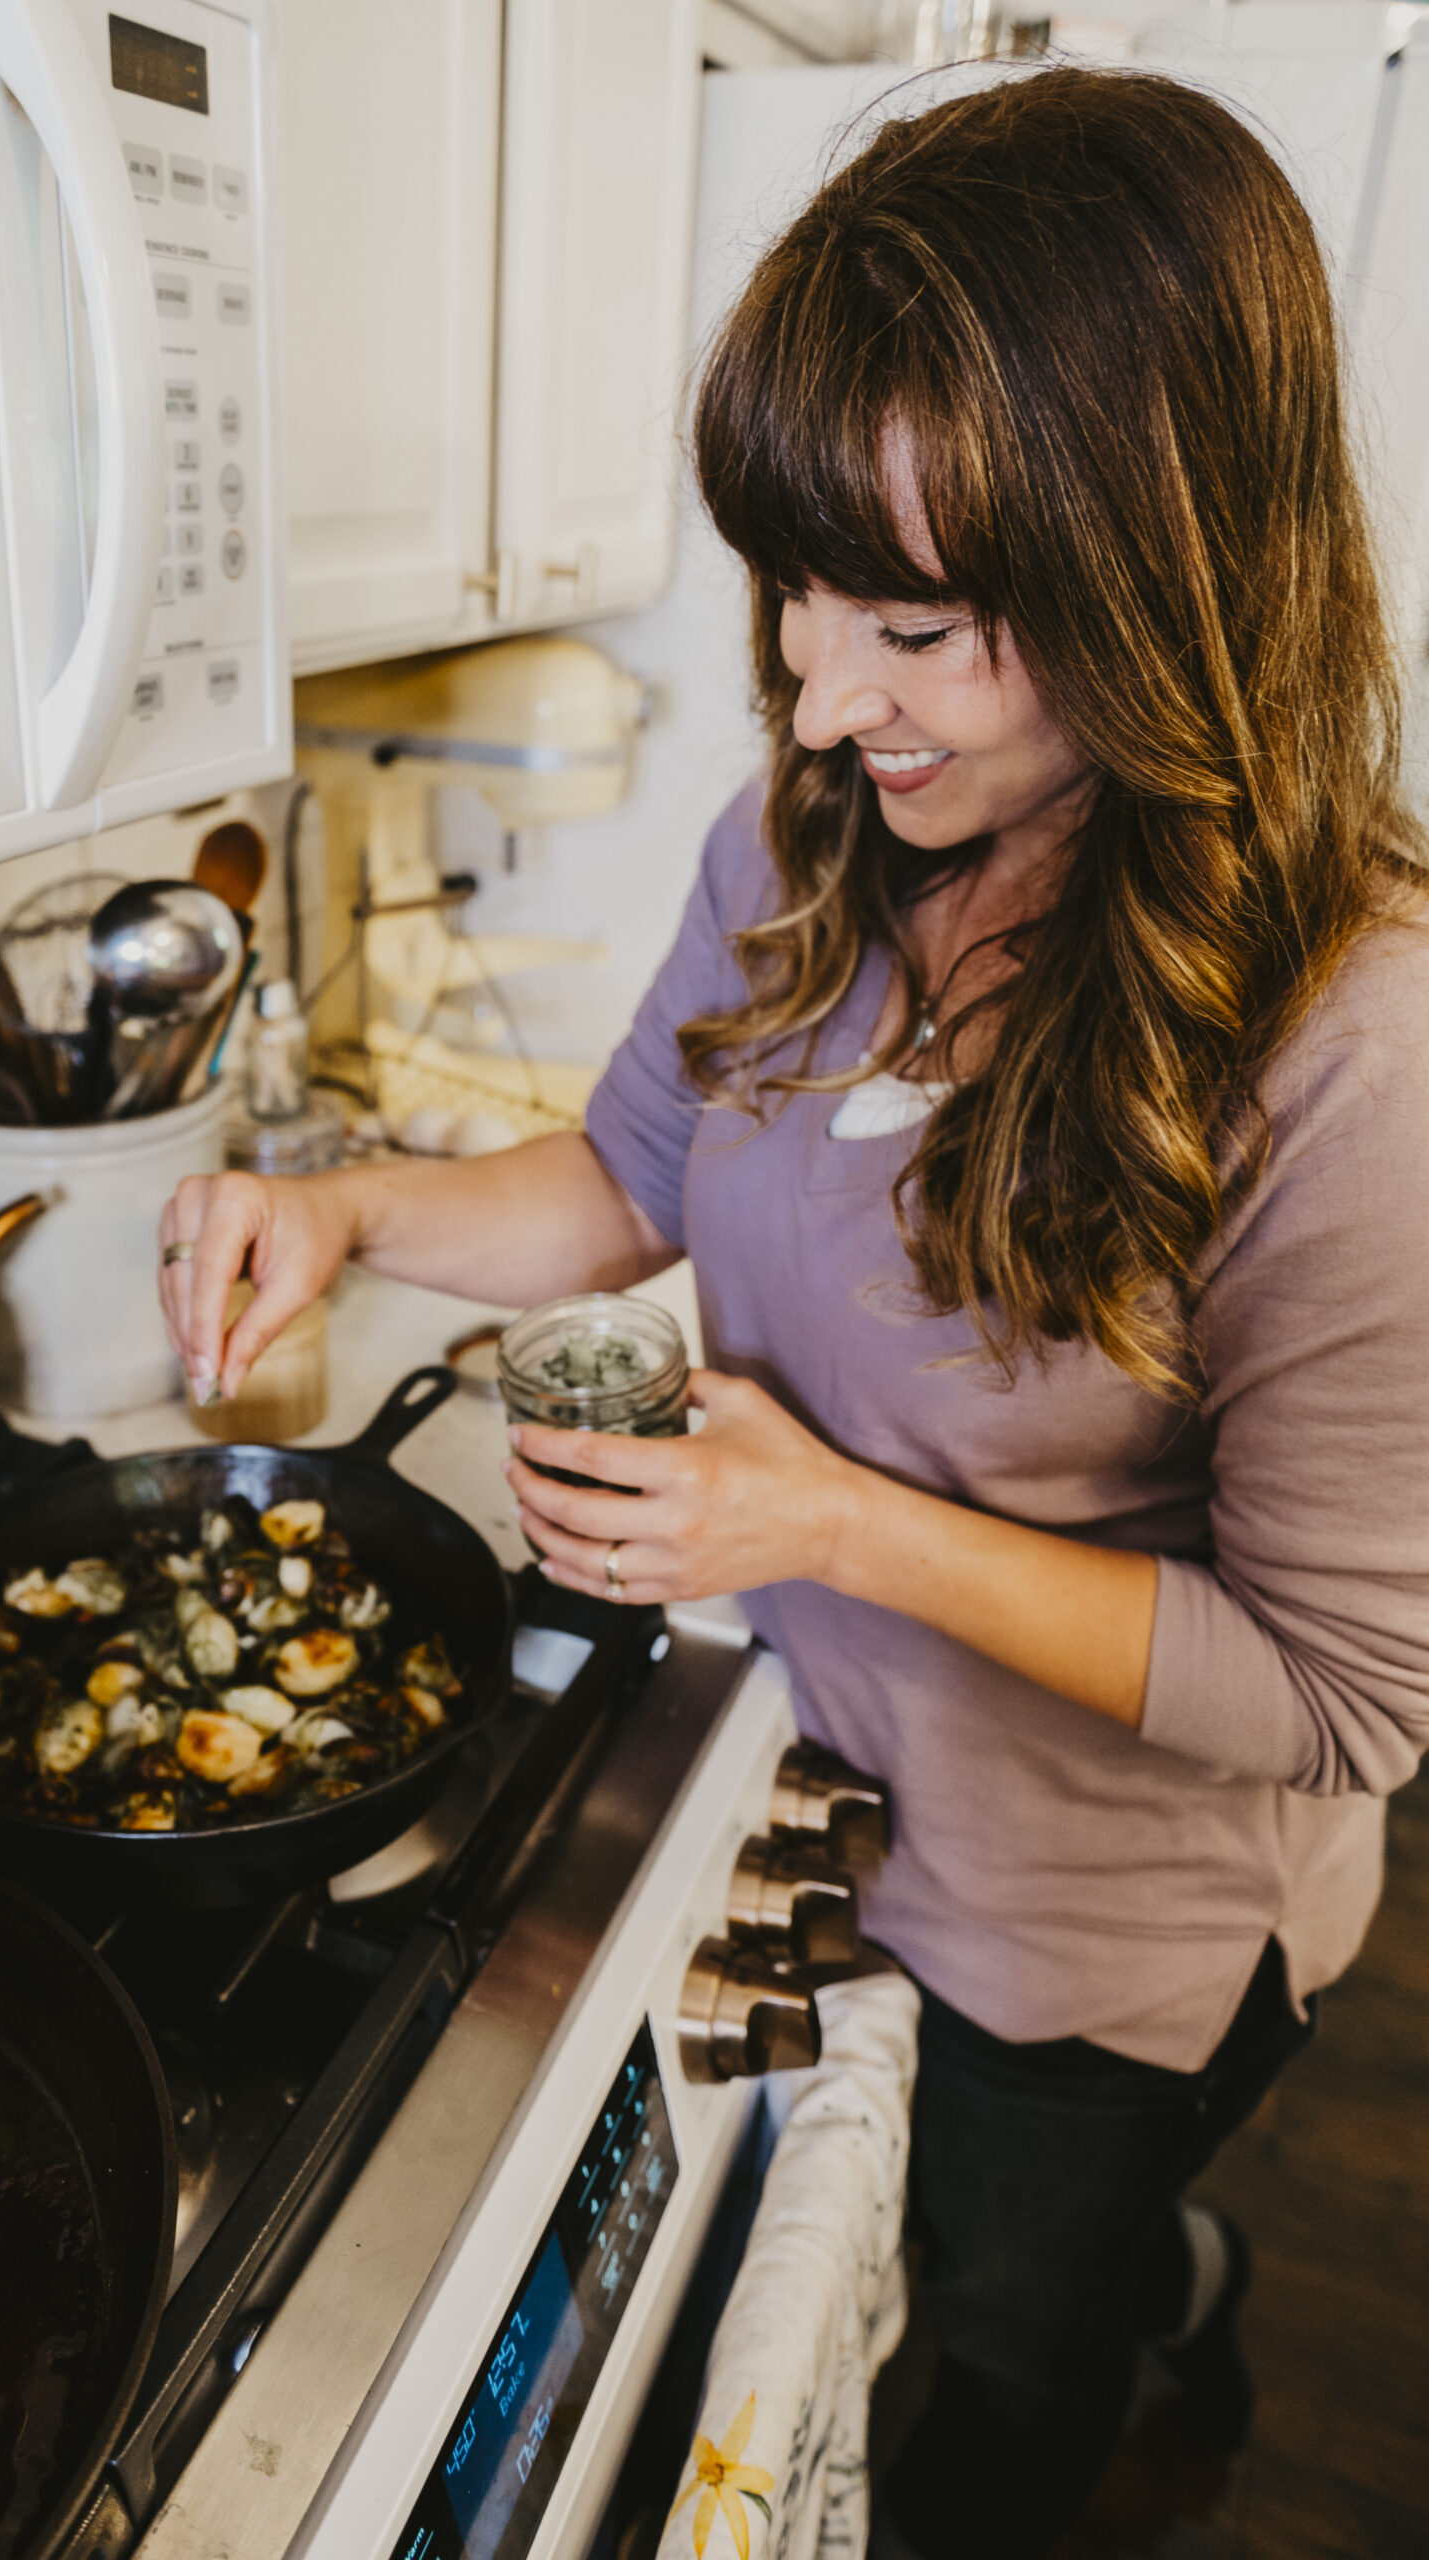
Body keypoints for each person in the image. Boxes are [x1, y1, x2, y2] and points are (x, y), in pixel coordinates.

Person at [157, 67, 1429, 2560]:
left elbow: (1347, 1694)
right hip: (819, 1792)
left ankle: (1161, 2298)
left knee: (1006, 2354)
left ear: (1168, 564)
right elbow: (633, 1169)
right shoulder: (806, 837)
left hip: (1098, 1949)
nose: (826, 693)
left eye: (917, 622)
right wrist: (346, 1210)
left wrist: (824, 1517)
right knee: (862, 2264)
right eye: (796, 592)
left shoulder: (1359, 1042)